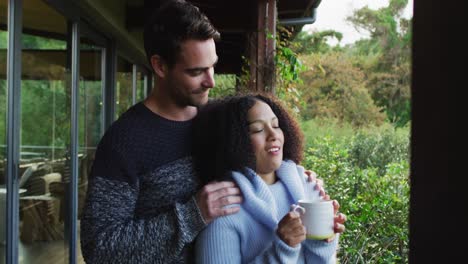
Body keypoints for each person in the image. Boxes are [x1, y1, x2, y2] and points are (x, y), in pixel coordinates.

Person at [79, 1, 243, 263]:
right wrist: (193, 215)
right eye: (196, 71)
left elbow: (261, 175)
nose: (211, 81)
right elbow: (99, 248)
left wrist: (297, 183)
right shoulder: (124, 141)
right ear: (160, 66)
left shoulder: (222, 121)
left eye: (212, 66)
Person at [192, 93, 346, 263]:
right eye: (258, 129)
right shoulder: (222, 206)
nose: (274, 135)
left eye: (276, 125)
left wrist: (323, 240)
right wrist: (282, 249)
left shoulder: (306, 184)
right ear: (234, 141)